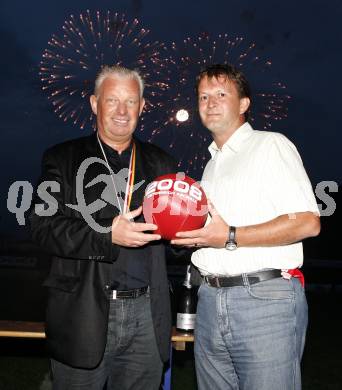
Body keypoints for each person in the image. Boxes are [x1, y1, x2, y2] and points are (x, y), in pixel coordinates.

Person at [171, 63, 320, 390]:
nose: (210, 102)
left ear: (244, 104)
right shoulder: (211, 166)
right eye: (203, 96)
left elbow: (308, 222)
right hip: (208, 300)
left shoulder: (270, 145)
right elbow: (216, 235)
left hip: (264, 301)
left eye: (221, 94)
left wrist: (230, 236)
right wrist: (194, 238)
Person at [29, 65, 177, 390]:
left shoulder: (162, 163)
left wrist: (192, 229)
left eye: (131, 101)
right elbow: (41, 224)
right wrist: (107, 236)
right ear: (95, 104)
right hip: (83, 313)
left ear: (142, 106)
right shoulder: (62, 158)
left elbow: (175, 234)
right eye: (112, 101)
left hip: (146, 317)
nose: (122, 111)